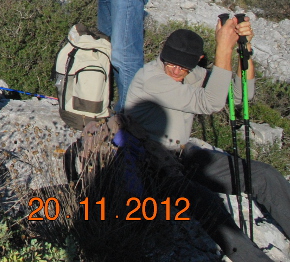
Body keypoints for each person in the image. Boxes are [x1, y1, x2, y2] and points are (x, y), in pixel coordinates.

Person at [124, 18, 289, 262]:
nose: (176, 71)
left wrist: (244, 51)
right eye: (170, 63)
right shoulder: (151, 78)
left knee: (264, 176)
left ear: (195, 62)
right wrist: (223, 48)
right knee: (208, 204)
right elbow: (210, 103)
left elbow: (242, 92)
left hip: (181, 155)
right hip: (149, 164)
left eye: (183, 67)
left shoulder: (189, 74)